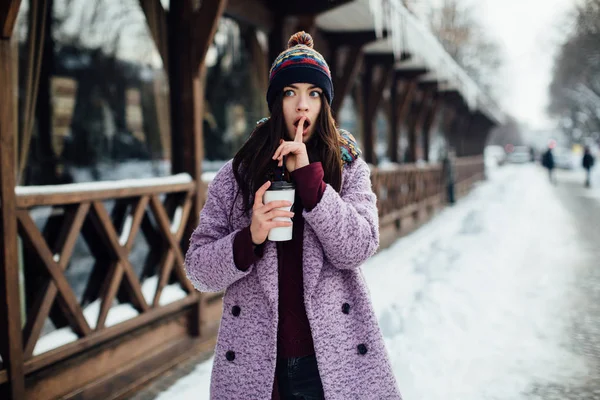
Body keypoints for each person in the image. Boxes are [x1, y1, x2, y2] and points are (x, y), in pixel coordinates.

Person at [184, 32, 402, 399]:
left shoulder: (347, 167)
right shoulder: (237, 174)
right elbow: (198, 269)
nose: (302, 106)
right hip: (257, 365)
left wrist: (312, 184)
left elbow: (360, 247)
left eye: (313, 94)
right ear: (275, 102)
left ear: (325, 104)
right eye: (290, 93)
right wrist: (248, 237)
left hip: (331, 361)